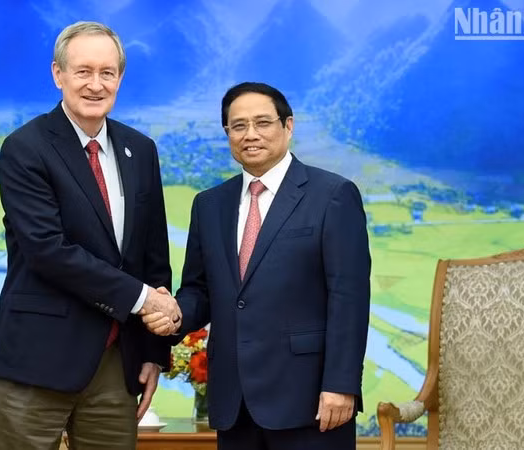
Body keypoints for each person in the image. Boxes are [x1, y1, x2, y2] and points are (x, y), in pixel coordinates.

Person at [0, 21, 180, 450]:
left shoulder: (140, 149)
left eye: (107, 73)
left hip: (117, 364)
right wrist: (146, 299)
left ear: (120, 78)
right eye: (83, 71)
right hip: (36, 362)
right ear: (58, 75)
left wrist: (152, 351)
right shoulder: (25, 147)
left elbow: (153, 258)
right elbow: (48, 251)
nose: (96, 84)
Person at [145, 82, 371, 449]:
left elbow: (350, 297)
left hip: (311, 401)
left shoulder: (333, 195)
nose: (250, 135)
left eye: (263, 122)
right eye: (238, 126)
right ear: (227, 133)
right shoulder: (209, 204)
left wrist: (341, 384)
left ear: (288, 126)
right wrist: (172, 315)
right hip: (235, 403)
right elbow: (200, 290)